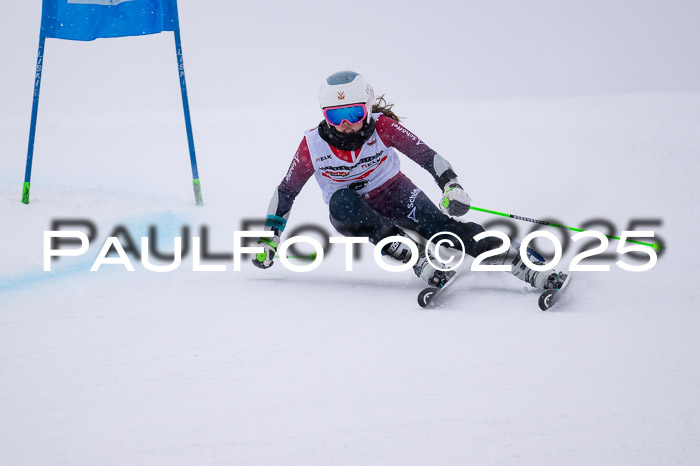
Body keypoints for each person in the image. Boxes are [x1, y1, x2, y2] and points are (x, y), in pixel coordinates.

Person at [252, 70, 566, 291]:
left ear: (367, 108)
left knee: (444, 231)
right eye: (335, 115)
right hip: (350, 211)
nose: (345, 123)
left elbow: (428, 157)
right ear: (324, 114)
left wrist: (451, 185)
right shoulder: (313, 144)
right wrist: (270, 237)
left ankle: (521, 263)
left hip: (396, 192)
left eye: (353, 112)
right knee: (342, 200)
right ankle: (417, 260)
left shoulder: (382, 127)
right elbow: (286, 191)